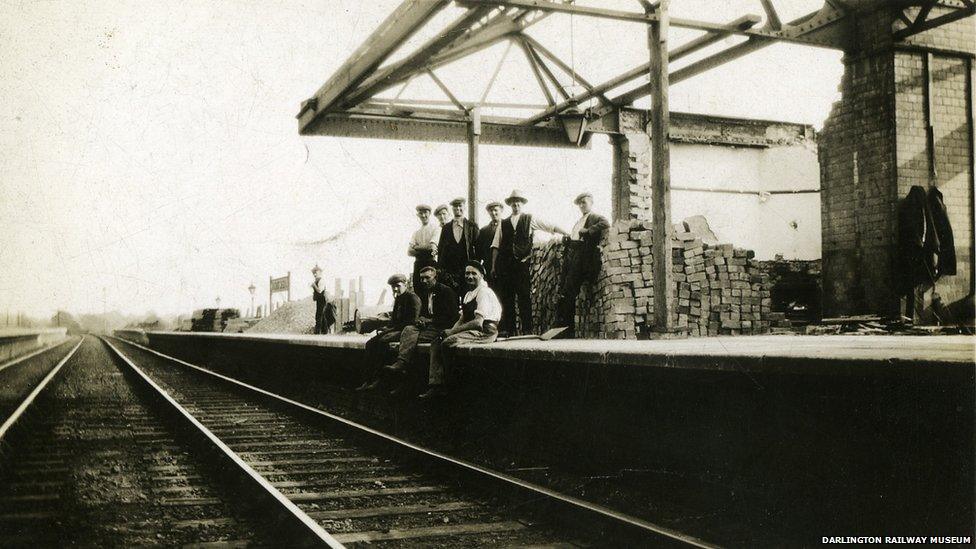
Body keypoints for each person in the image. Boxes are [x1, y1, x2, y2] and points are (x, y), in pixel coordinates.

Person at [419, 261, 501, 399]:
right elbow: (462, 319)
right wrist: (449, 330)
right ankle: (436, 385)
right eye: (467, 273)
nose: (469, 276)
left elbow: (478, 322)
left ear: (482, 275)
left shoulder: (484, 292)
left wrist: (451, 333)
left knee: (448, 342)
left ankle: (452, 385)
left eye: (474, 273)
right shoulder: (469, 293)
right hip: (473, 329)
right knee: (437, 340)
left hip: (485, 331)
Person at [495, 189, 569, 336]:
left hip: (522, 263)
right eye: (513, 202)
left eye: (519, 202)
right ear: (510, 205)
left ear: (522, 204)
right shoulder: (503, 223)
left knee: (524, 296)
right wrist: (493, 266)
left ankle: (527, 330)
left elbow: (548, 226)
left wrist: (566, 233)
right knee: (507, 298)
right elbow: (495, 245)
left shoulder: (530, 219)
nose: (516, 205)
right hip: (506, 265)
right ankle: (510, 330)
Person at [384, 265, 459, 394]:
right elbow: (424, 314)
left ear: (435, 276)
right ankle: (402, 364)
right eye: (422, 278)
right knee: (409, 330)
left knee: (411, 341)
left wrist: (430, 320)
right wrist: (421, 320)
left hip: (443, 328)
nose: (424, 281)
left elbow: (452, 318)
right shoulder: (425, 294)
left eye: (427, 278)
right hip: (430, 328)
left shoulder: (446, 292)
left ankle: (407, 373)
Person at [555, 192, 610, 337]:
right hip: (571, 254)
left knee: (570, 288)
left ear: (591, 203)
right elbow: (575, 235)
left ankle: (567, 329)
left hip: (582, 256)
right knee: (563, 288)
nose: (581, 205)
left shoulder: (595, 217)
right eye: (579, 203)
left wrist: (588, 231)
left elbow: (606, 223)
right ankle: (562, 326)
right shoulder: (579, 220)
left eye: (584, 202)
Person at [355, 274, 421, 391]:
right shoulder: (399, 298)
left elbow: (413, 321)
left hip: (407, 331)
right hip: (396, 329)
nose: (395, 289)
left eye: (398, 286)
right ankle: (368, 379)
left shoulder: (412, 298)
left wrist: (391, 329)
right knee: (370, 343)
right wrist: (387, 327)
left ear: (405, 284)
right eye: (393, 286)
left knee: (383, 342)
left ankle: (380, 379)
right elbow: (394, 320)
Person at [437, 197, 478, 297]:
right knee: (451, 299)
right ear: (452, 209)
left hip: (467, 270)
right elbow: (441, 250)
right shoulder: (446, 228)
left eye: (460, 206)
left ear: (464, 207)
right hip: (450, 271)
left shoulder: (472, 226)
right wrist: (441, 270)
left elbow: (478, 249)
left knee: (468, 299)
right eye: (455, 206)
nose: (458, 208)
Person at [407, 204, 439, 289]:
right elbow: (409, 251)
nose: (423, 215)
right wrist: (425, 248)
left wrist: (416, 247)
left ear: (430, 213)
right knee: (418, 289)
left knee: (431, 288)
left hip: (430, 263)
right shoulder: (416, 232)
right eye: (421, 213)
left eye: (425, 213)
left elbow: (431, 247)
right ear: (418, 215)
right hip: (418, 264)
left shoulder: (435, 229)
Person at [476, 200, 504, 285]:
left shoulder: (507, 226)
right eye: (491, 211)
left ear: (501, 211)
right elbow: (479, 251)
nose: (493, 213)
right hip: (488, 267)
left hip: (504, 266)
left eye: (496, 210)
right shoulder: (484, 230)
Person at [310, 265, 335, 334]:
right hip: (319, 299)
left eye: (316, 272)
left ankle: (317, 331)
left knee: (319, 315)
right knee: (322, 315)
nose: (314, 274)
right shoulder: (317, 280)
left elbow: (319, 291)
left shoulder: (321, 281)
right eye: (313, 273)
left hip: (322, 299)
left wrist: (314, 286)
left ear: (320, 272)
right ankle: (324, 331)